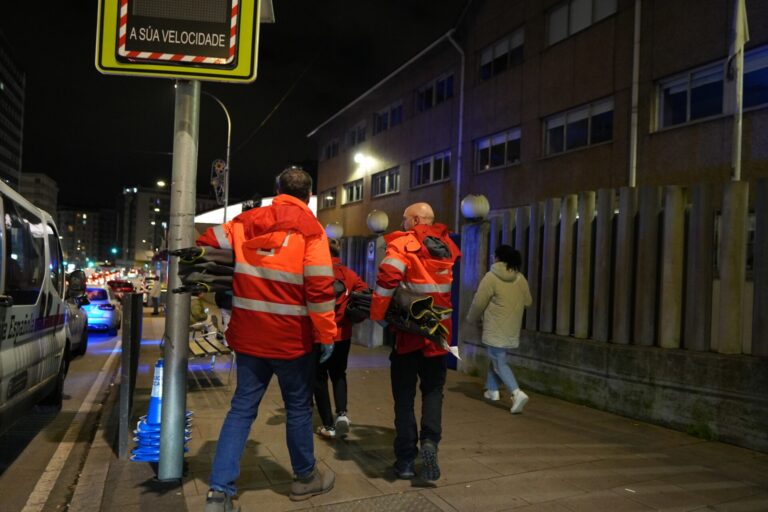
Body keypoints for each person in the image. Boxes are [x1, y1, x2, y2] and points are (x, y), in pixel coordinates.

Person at [197, 166, 337, 511]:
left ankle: (219, 492)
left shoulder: (245, 223)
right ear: (308, 195)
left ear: (277, 188)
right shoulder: (312, 230)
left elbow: (206, 243)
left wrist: (237, 272)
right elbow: (319, 287)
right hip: (292, 340)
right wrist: (327, 335)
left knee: (242, 409)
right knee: (298, 409)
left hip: (249, 337)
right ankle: (305, 479)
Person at [369, 202, 460, 482]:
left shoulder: (405, 244)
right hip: (438, 333)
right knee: (433, 392)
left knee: (404, 398)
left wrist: (377, 313)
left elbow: (387, 278)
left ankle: (406, 460)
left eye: (405, 218)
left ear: (416, 219)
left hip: (409, 333)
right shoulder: (446, 247)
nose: (402, 223)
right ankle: (430, 442)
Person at [466, 245, 533, 414]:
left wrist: (470, 318)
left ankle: (516, 393)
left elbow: (479, 302)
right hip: (511, 327)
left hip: (495, 326)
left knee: (499, 362)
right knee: (496, 357)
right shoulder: (520, 278)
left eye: (493, 255)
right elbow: (528, 301)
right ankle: (492, 391)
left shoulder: (491, 277)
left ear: (497, 257)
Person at [314, 238, 368, 439]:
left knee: (318, 379)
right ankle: (342, 414)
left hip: (318, 335)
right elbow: (364, 292)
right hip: (343, 335)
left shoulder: (315, 273)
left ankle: (328, 425)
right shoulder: (349, 274)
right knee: (339, 374)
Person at [215, 193, 262, 332]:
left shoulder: (229, 230)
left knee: (230, 334)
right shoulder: (262, 234)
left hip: (227, 297)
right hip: (247, 299)